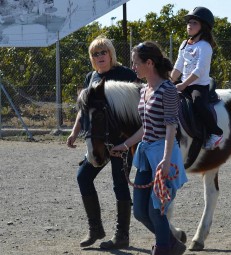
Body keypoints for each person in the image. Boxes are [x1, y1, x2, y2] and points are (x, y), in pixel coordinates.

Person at [111, 41, 188, 255]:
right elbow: (145, 126)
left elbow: (171, 125)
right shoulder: (145, 90)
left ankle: (163, 248)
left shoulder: (168, 90)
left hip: (163, 154)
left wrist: (165, 159)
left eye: (136, 63)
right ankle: (172, 243)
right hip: (145, 155)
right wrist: (125, 145)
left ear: (150, 63)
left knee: (156, 210)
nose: (133, 67)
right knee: (141, 213)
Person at [67, 36, 137, 250]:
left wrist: (128, 142)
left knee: (119, 183)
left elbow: (137, 108)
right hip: (99, 141)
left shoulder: (125, 75)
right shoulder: (91, 78)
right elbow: (85, 109)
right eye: (95, 54)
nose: (99, 57)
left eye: (103, 52)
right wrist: (74, 131)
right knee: (83, 176)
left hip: (122, 142)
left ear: (111, 54)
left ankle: (122, 235)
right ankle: (95, 228)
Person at [171, 6, 223, 150]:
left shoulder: (205, 46)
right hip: (184, 83)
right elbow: (178, 67)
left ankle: (215, 132)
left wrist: (182, 85)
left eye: (195, 23)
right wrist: (169, 82)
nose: (190, 25)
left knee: (198, 102)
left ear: (203, 27)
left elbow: (199, 70)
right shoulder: (184, 44)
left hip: (198, 86)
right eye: (189, 22)